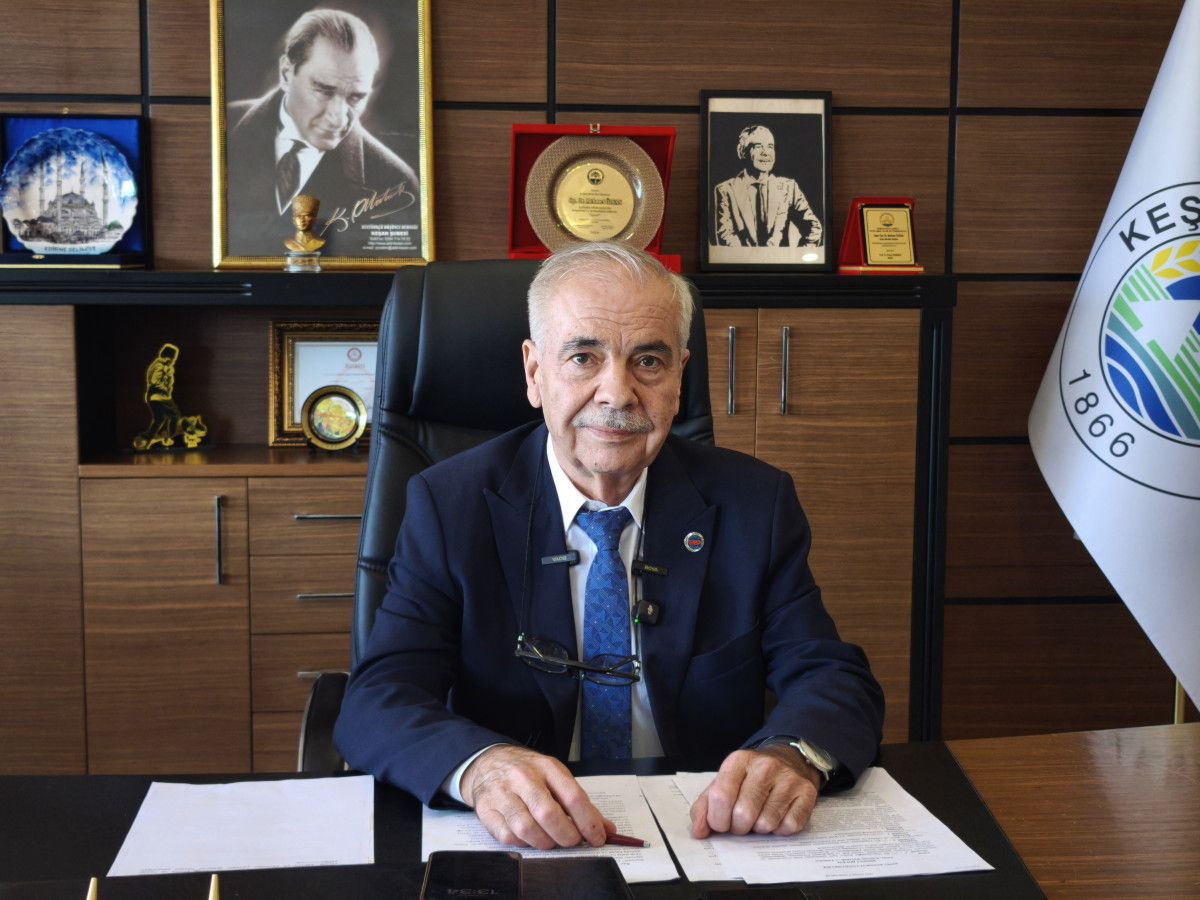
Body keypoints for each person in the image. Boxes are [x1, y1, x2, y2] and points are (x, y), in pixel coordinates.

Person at [334, 242, 883, 851]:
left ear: (679, 377)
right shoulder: (449, 505)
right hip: (522, 845)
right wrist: (481, 768)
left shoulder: (755, 505)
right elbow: (378, 699)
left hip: (708, 838)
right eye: (583, 357)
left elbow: (831, 676)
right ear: (535, 372)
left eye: (647, 360)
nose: (617, 393)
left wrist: (792, 755)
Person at [225, 8, 419, 257]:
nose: (339, 118)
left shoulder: (396, 182)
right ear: (286, 73)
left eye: (356, 97)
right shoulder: (222, 129)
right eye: (324, 90)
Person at [713, 125, 822, 248]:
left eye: (770, 146)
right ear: (742, 151)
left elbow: (814, 228)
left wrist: (799, 255)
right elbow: (726, 237)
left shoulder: (788, 188)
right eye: (758, 146)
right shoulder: (726, 190)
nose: (766, 153)